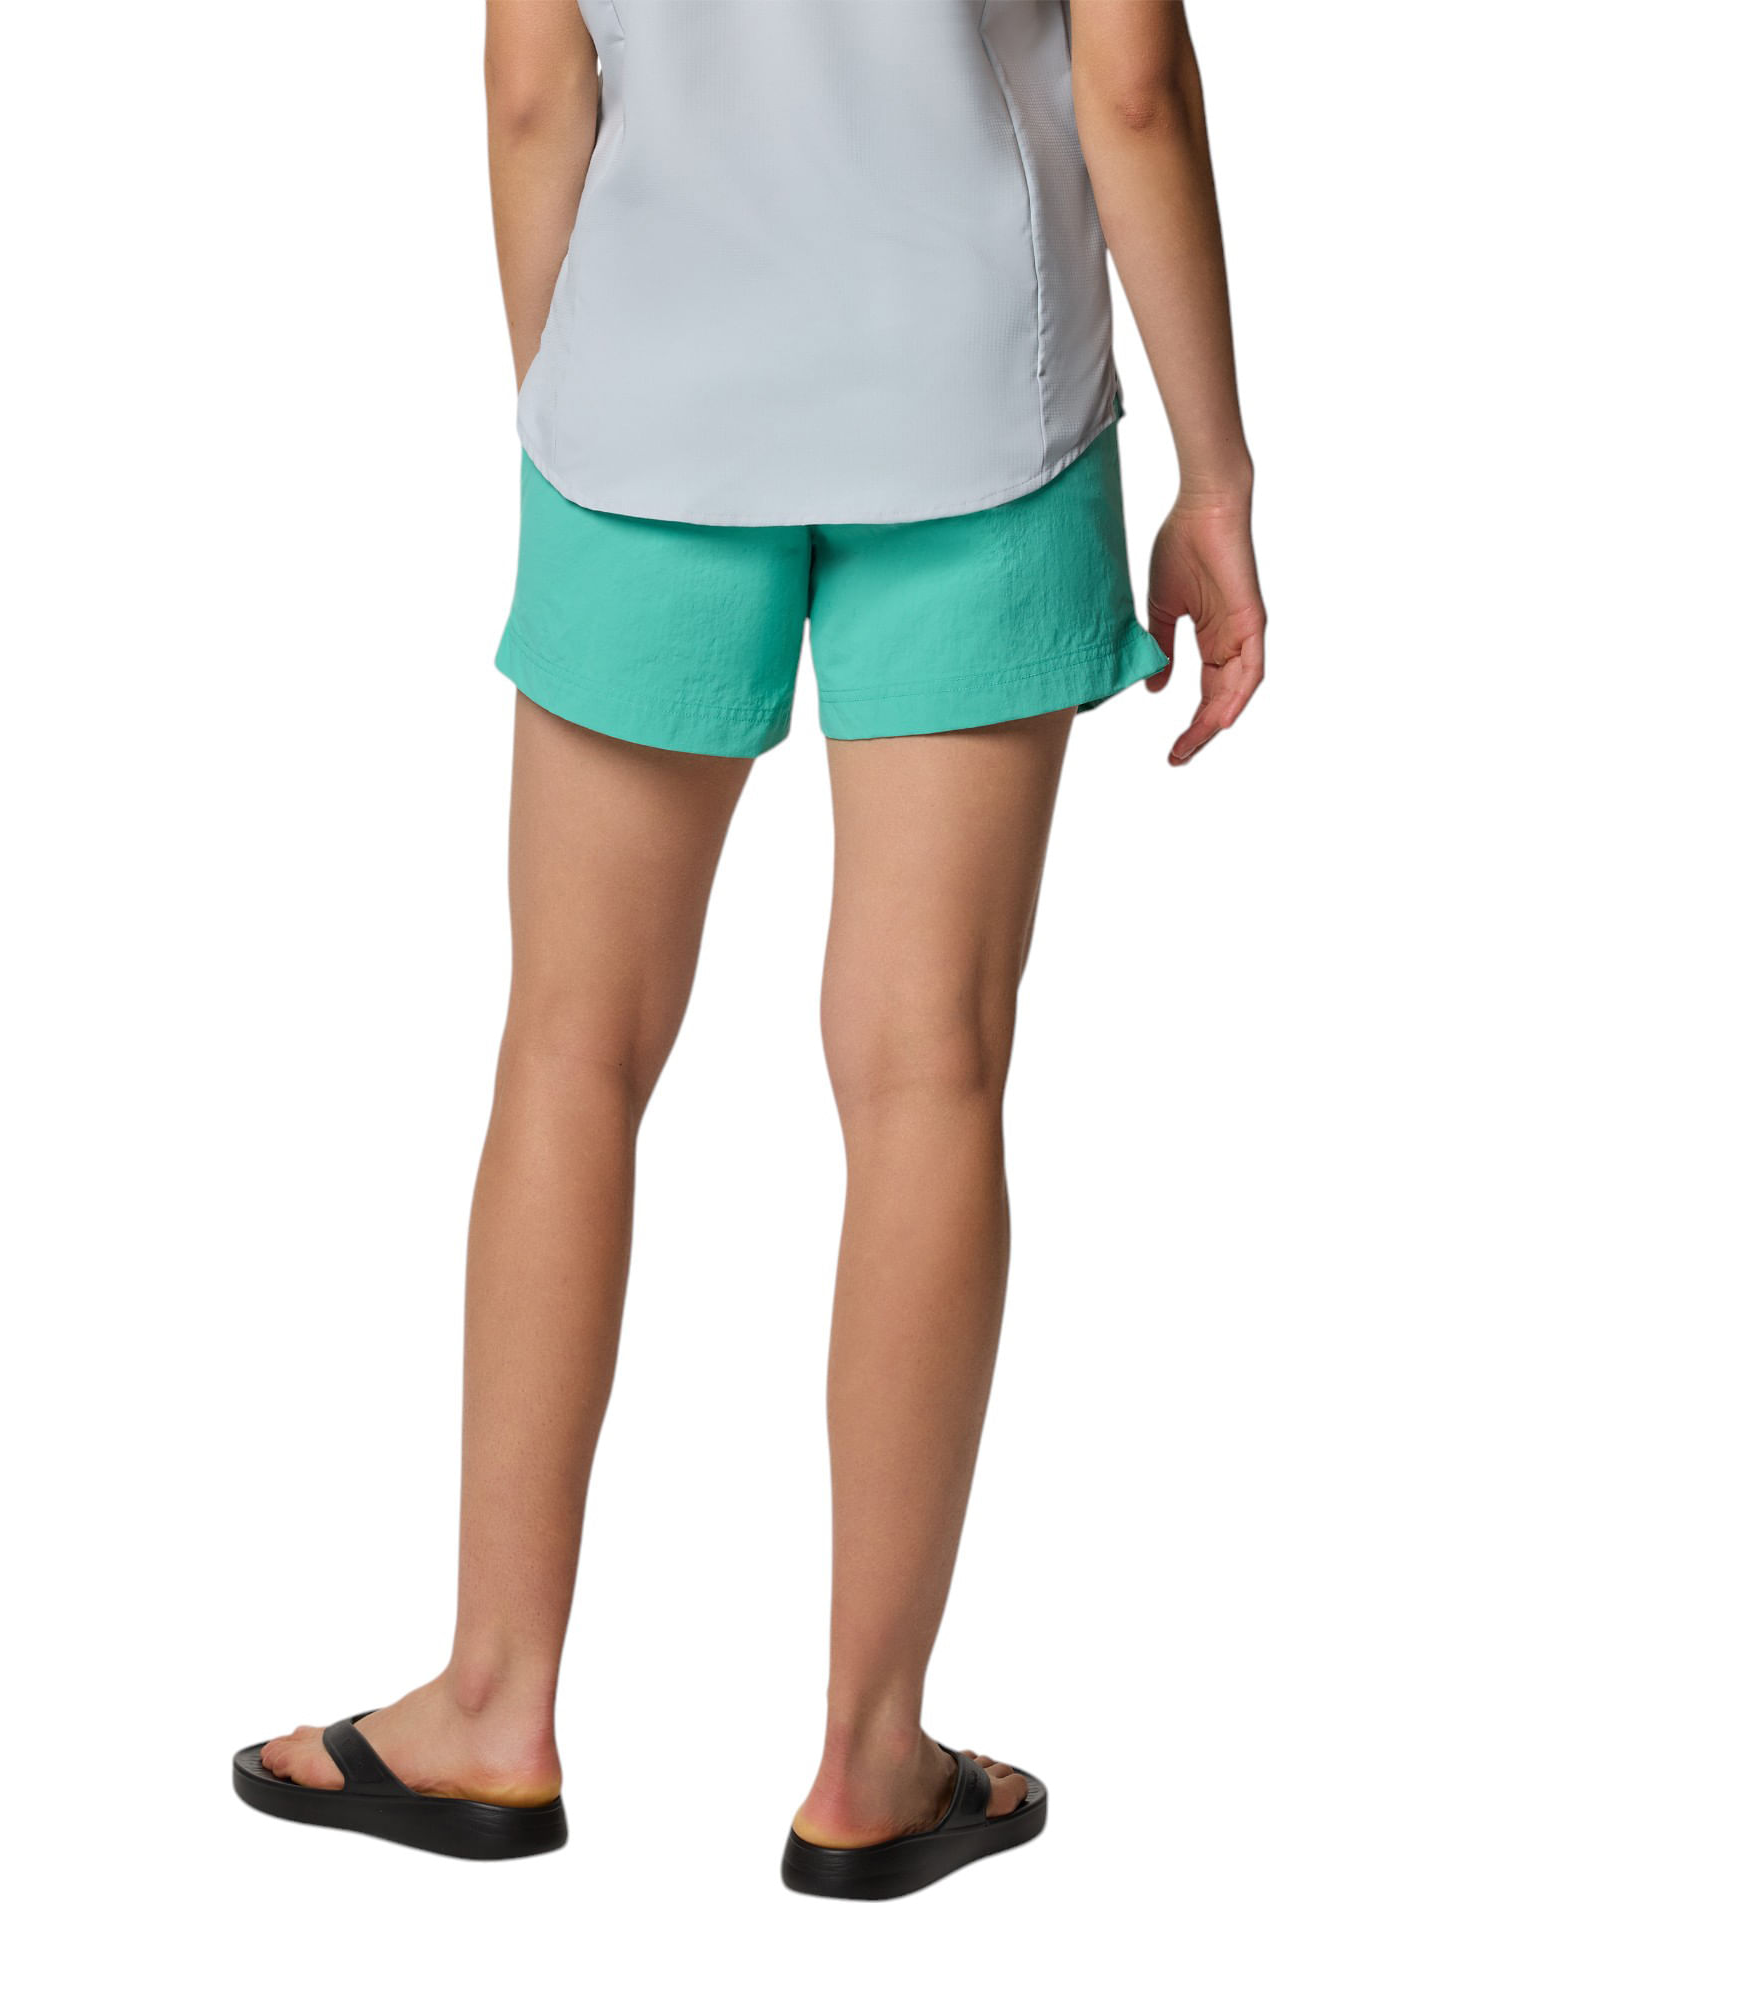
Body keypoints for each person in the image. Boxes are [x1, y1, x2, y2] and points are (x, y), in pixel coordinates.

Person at [233, 0, 1264, 1899]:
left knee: (571, 1051)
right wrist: (1217, 476)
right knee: (927, 1071)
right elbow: (1129, 86)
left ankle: (493, 1706)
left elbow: (534, 87)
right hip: (980, 402)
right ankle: (871, 1758)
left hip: (648, 408)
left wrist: (584, 405)